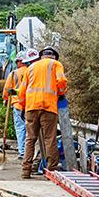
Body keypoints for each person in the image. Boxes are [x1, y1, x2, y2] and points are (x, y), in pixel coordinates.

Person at [18, 46, 67, 179]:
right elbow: (61, 81)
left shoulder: (31, 67)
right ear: (54, 56)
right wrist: (61, 93)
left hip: (31, 107)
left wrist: (23, 107)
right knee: (49, 139)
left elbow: (22, 90)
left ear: (41, 56)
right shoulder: (56, 64)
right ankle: (51, 171)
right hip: (48, 107)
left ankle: (26, 171)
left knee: (30, 139)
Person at [2, 48, 39, 160]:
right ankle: (31, 152)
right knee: (31, 130)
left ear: (19, 61)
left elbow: (7, 90)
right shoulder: (32, 71)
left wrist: (6, 99)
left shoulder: (14, 74)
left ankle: (23, 152)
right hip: (32, 104)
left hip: (18, 105)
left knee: (20, 128)